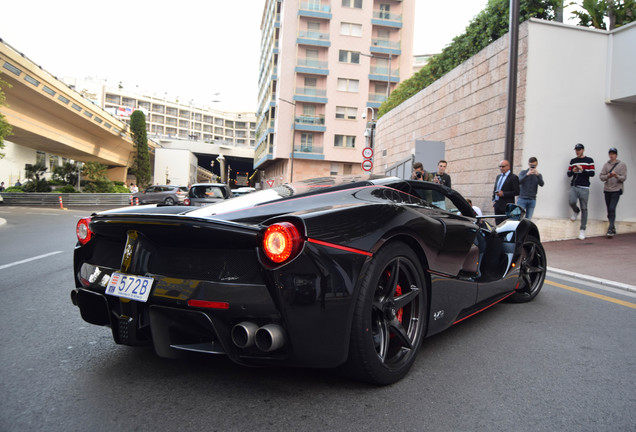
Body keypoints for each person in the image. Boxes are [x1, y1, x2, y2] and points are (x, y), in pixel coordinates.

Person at [567, 143, 595, 240]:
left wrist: (582, 170)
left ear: (583, 150)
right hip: (574, 186)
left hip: (584, 187)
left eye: (579, 150)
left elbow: (592, 173)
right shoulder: (573, 161)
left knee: (584, 208)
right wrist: (574, 170)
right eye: (576, 150)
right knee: (571, 201)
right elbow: (568, 173)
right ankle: (575, 211)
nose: (577, 151)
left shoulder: (589, 160)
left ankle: (582, 229)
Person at [599, 147, 626, 238]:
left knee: (612, 208)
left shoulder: (622, 165)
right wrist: (608, 176)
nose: (611, 155)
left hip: (616, 189)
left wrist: (616, 176)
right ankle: (612, 226)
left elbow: (623, 178)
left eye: (613, 154)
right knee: (609, 209)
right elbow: (601, 177)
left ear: (616, 155)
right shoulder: (606, 165)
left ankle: (610, 228)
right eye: (610, 153)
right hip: (607, 189)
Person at [492, 159, 519, 224]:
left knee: (505, 224)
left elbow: (517, 191)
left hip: (506, 206)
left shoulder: (513, 177)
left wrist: (503, 194)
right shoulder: (498, 177)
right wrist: (493, 200)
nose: (501, 168)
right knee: (498, 224)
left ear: (508, 166)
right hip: (497, 205)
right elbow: (495, 188)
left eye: (503, 166)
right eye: (500, 166)